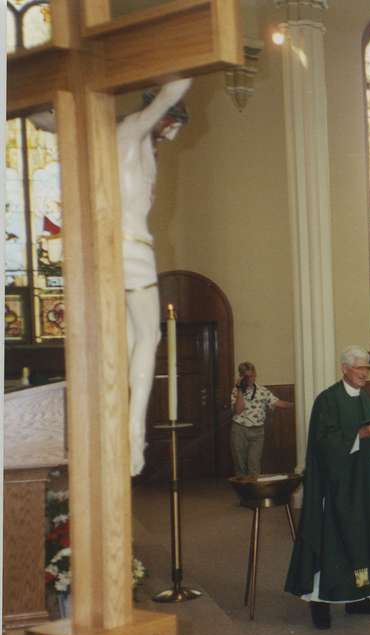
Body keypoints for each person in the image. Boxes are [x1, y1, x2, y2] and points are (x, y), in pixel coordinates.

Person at [34, 78, 193, 475]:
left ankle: (115, 423)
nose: (172, 133)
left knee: (122, 339)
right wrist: (189, 55)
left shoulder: (116, 140)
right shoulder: (131, 130)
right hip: (131, 246)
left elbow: (48, 122)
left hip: (102, 250)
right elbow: (172, 92)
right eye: (172, 125)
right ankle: (133, 434)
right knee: (148, 336)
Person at [285, 346, 370, 629]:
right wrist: (357, 434)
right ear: (344, 368)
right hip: (335, 488)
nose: (365, 375)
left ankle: (360, 597)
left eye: (368, 369)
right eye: (360, 369)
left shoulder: (367, 400)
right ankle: (319, 603)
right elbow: (322, 443)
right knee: (332, 541)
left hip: (362, 487)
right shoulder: (327, 401)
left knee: (361, 542)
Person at [229, 361, 292, 476]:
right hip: (239, 430)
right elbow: (238, 410)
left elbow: (277, 402)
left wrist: (295, 404)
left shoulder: (262, 390)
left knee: (254, 464)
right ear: (242, 376)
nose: (251, 379)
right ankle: (243, 493)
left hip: (257, 432)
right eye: (248, 377)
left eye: (253, 375)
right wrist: (239, 389)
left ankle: (253, 492)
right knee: (240, 464)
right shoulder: (236, 391)